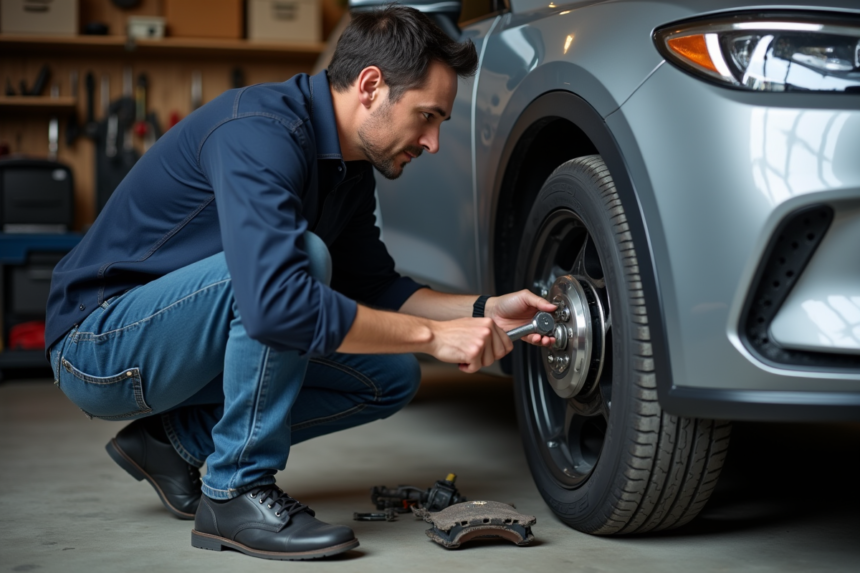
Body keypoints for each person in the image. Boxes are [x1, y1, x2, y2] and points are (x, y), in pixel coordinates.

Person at [45, 5, 556, 561]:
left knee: (388, 374)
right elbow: (274, 305)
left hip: (178, 343)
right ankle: (236, 491)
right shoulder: (260, 131)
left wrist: (482, 309)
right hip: (97, 345)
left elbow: (378, 287)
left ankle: (173, 444)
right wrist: (434, 338)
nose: (432, 142)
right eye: (427, 116)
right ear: (370, 85)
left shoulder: (349, 166)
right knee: (299, 266)